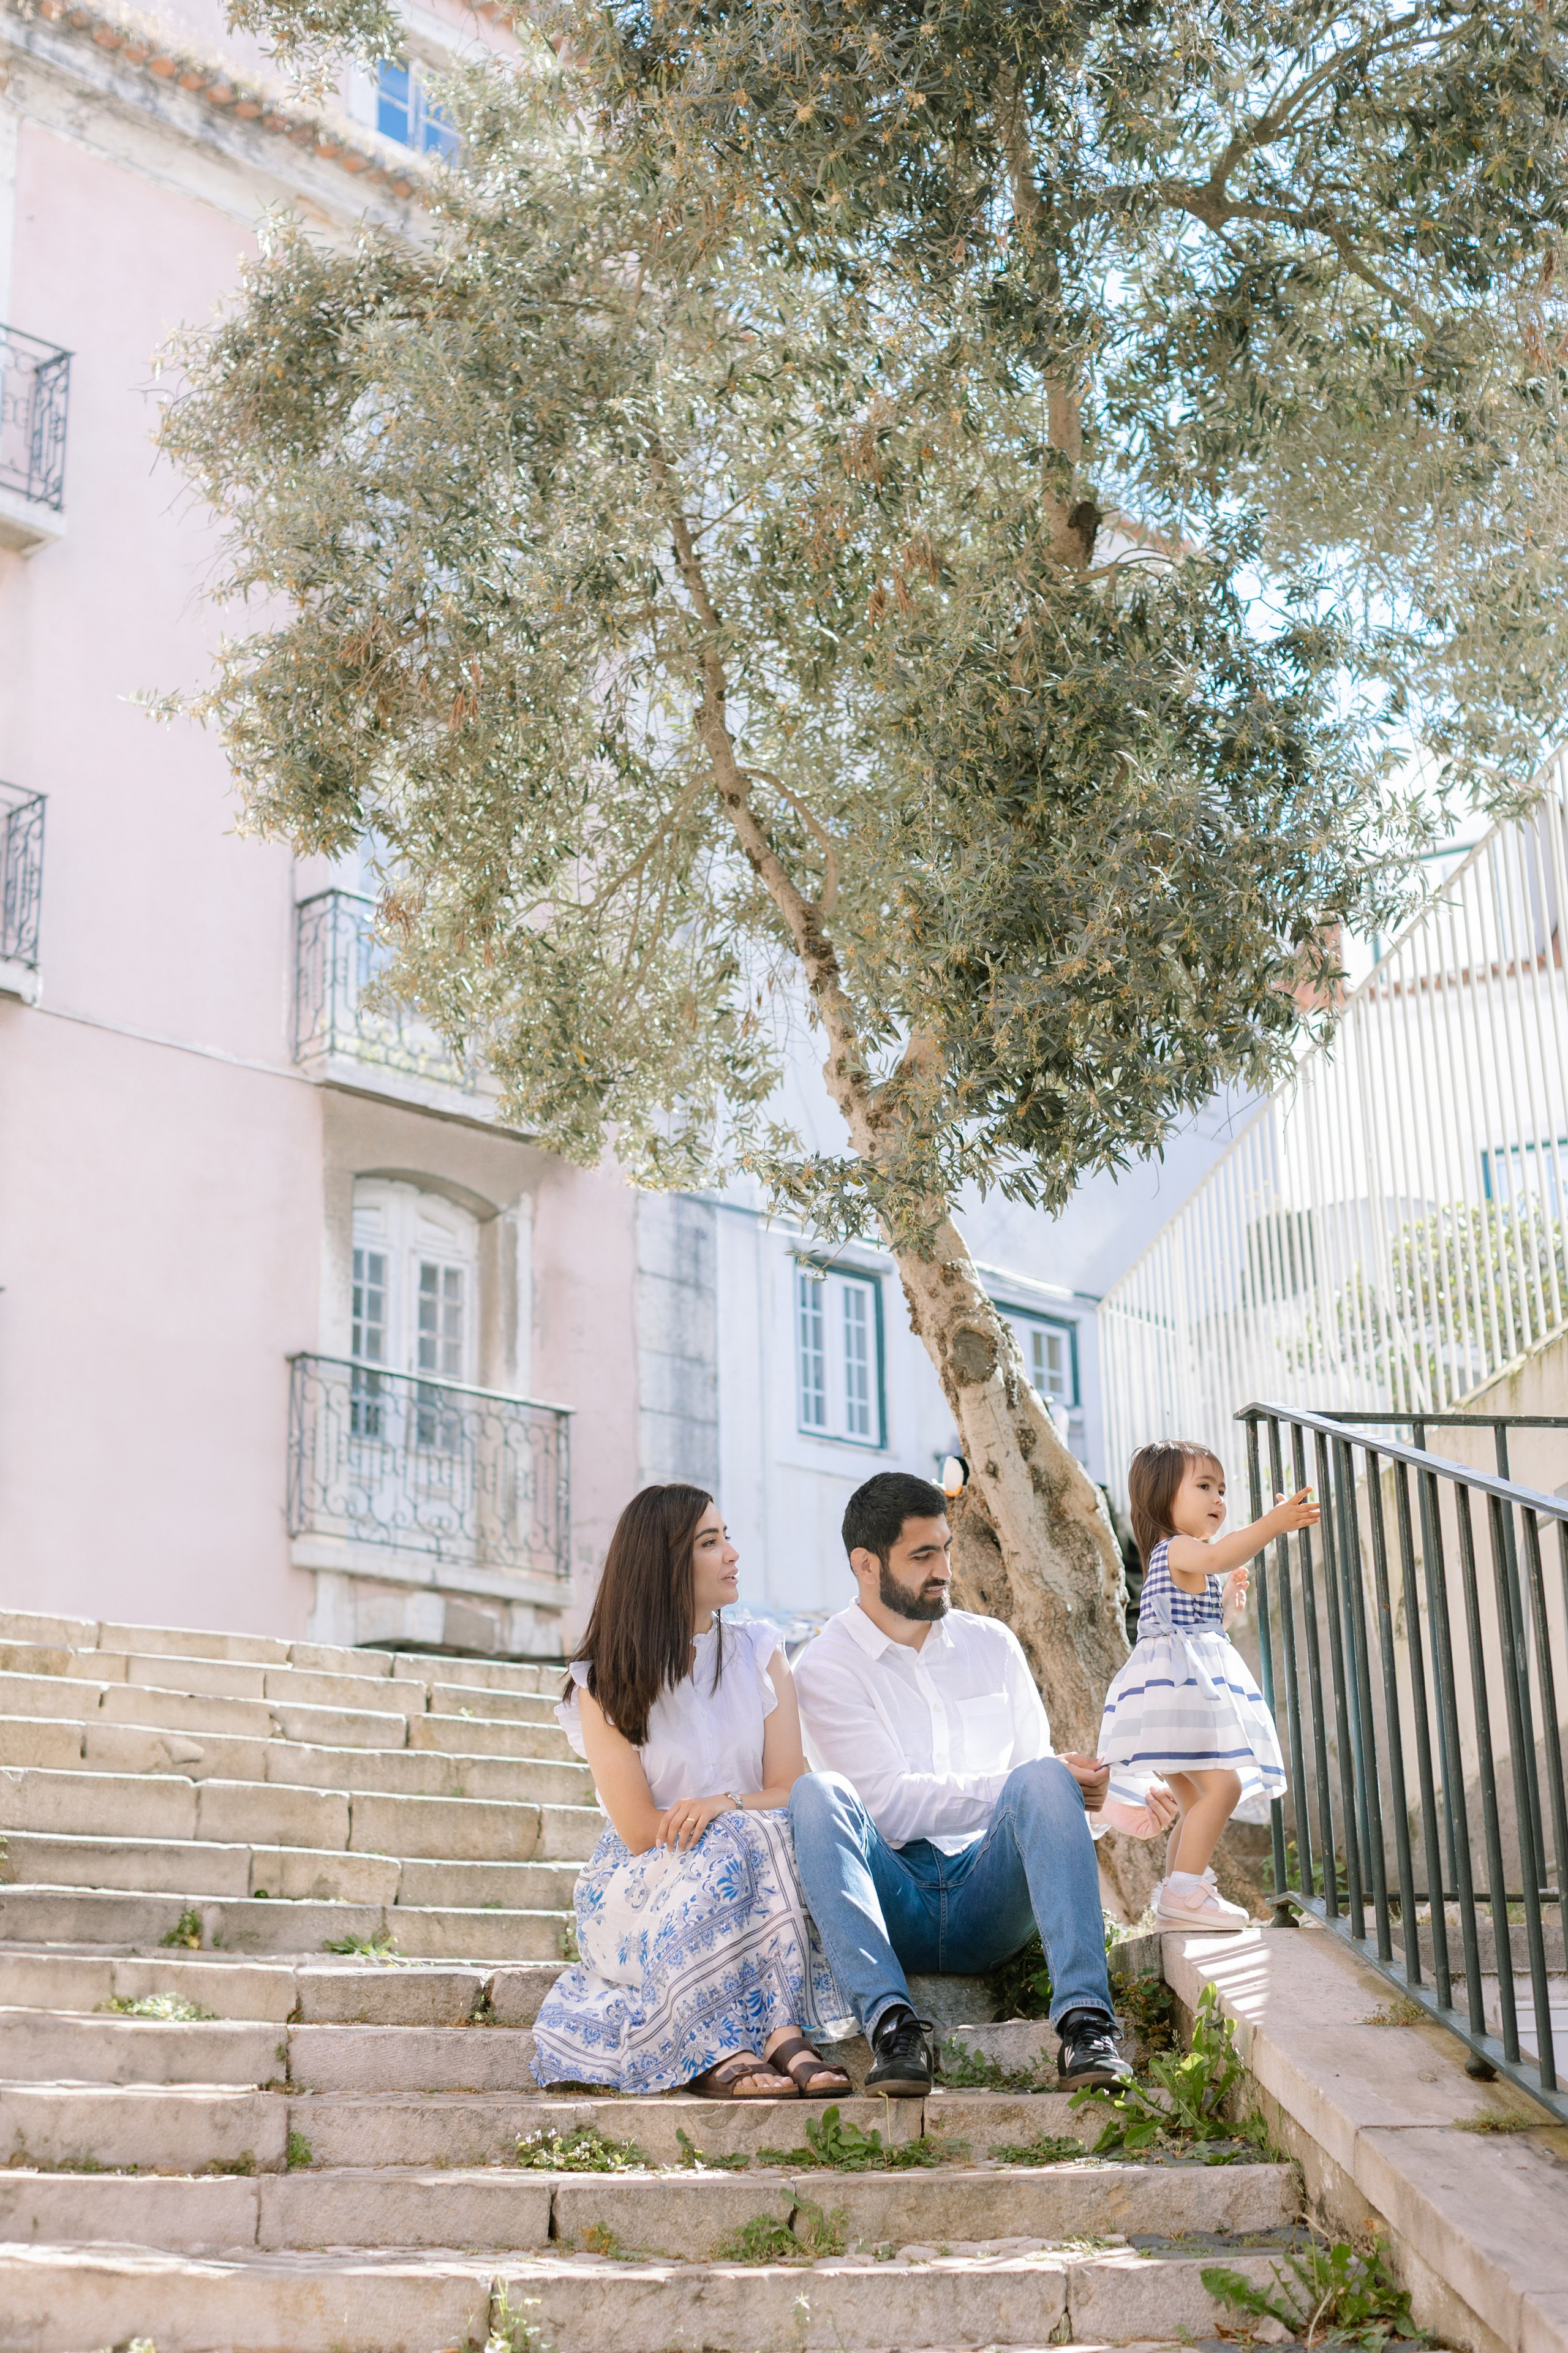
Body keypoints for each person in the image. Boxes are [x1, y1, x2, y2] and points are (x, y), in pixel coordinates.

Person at [790, 1471, 1176, 2099]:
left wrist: (1110, 1809)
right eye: (922, 1555)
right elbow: (886, 1805)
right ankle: (892, 2028)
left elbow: (1036, 1787)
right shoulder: (826, 1665)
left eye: (945, 1548)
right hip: (896, 1896)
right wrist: (1036, 1783)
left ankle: (1086, 2026)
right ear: (865, 1564)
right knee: (817, 1794)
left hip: (990, 1895)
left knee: (1044, 1772)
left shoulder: (991, 1644)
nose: (943, 1568)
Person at [530, 1482, 854, 2098]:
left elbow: (792, 1788)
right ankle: (735, 2041)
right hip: (642, 1889)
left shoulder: (761, 1653)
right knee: (735, 1836)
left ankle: (778, 2030)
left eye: (727, 1536)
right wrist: (722, 1821)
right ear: (663, 1563)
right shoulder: (601, 1684)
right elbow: (637, 1830)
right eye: (710, 1542)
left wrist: (724, 1805)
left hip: (758, 1874)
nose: (732, 1553)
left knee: (751, 1832)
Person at [1098, 1440, 1317, 1933]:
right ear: (1161, 1497)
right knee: (1226, 1784)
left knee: (1197, 1800)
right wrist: (1273, 1524)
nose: (1218, 1497)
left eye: (1221, 1488)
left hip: (1174, 1704)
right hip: (1180, 1701)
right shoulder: (1177, 1546)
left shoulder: (1182, 1558)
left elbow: (1200, 1621)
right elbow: (1219, 1555)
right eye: (1203, 1486)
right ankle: (1185, 1893)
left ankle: (1176, 1897)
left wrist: (1228, 1608)